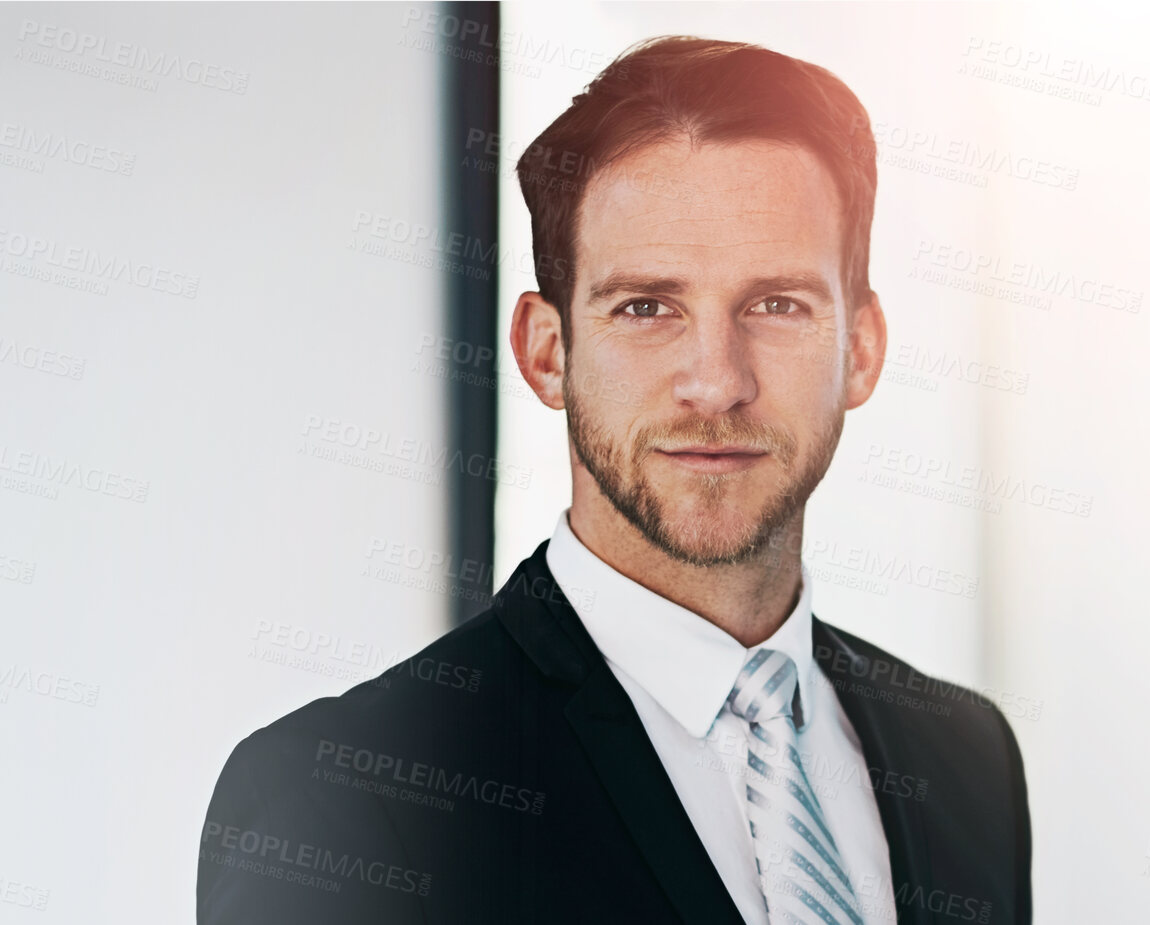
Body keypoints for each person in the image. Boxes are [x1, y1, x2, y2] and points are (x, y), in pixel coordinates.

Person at [198, 36, 1030, 925]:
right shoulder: (345, 801)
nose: (716, 380)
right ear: (546, 353)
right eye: (645, 307)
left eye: (777, 305)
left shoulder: (965, 758)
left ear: (859, 350)